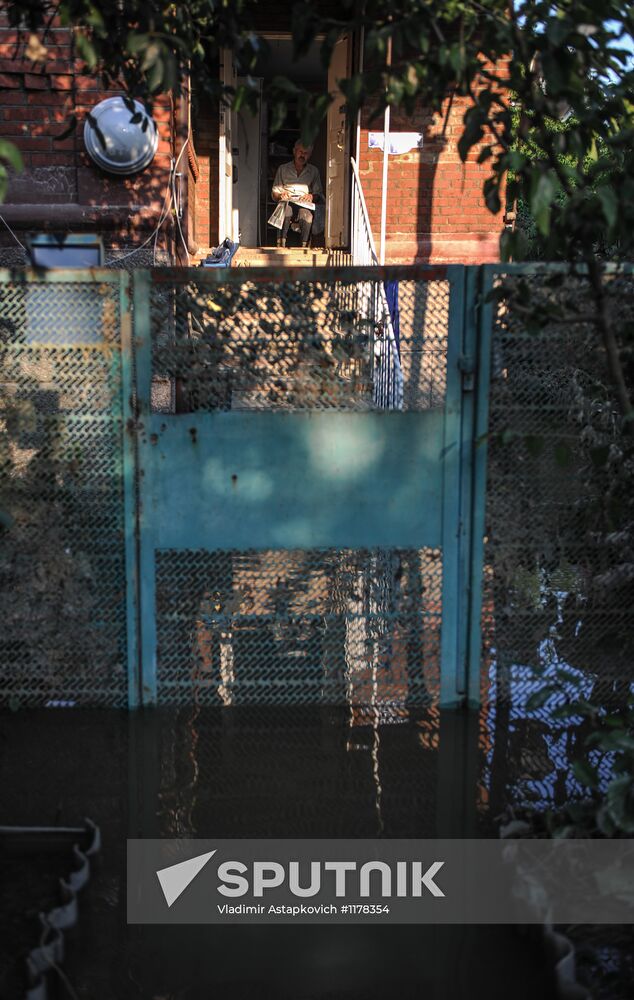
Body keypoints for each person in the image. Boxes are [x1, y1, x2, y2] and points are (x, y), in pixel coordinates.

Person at [271, 139, 323, 248]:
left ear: (310, 155)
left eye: (306, 153)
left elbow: (318, 194)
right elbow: (274, 192)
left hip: (303, 203)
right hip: (287, 202)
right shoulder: (283, 169)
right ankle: (281, 245)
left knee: (307, 216)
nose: (302, 156)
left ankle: (304, 248)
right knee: (286, 212)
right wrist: (281, 195)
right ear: (294, 151)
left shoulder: (313, 171)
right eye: (300, 152)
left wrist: (311, 196)